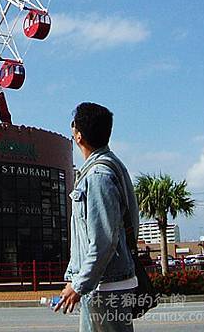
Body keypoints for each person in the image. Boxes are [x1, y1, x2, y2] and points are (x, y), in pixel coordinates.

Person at [57, 102, 140, 331]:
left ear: (79, 135)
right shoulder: (111, 166)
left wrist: (79, 284)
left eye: (73, 125)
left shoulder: (98, 176)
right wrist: (75, 276)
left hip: (105, 286)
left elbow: (103, 241)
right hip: (103, 283)